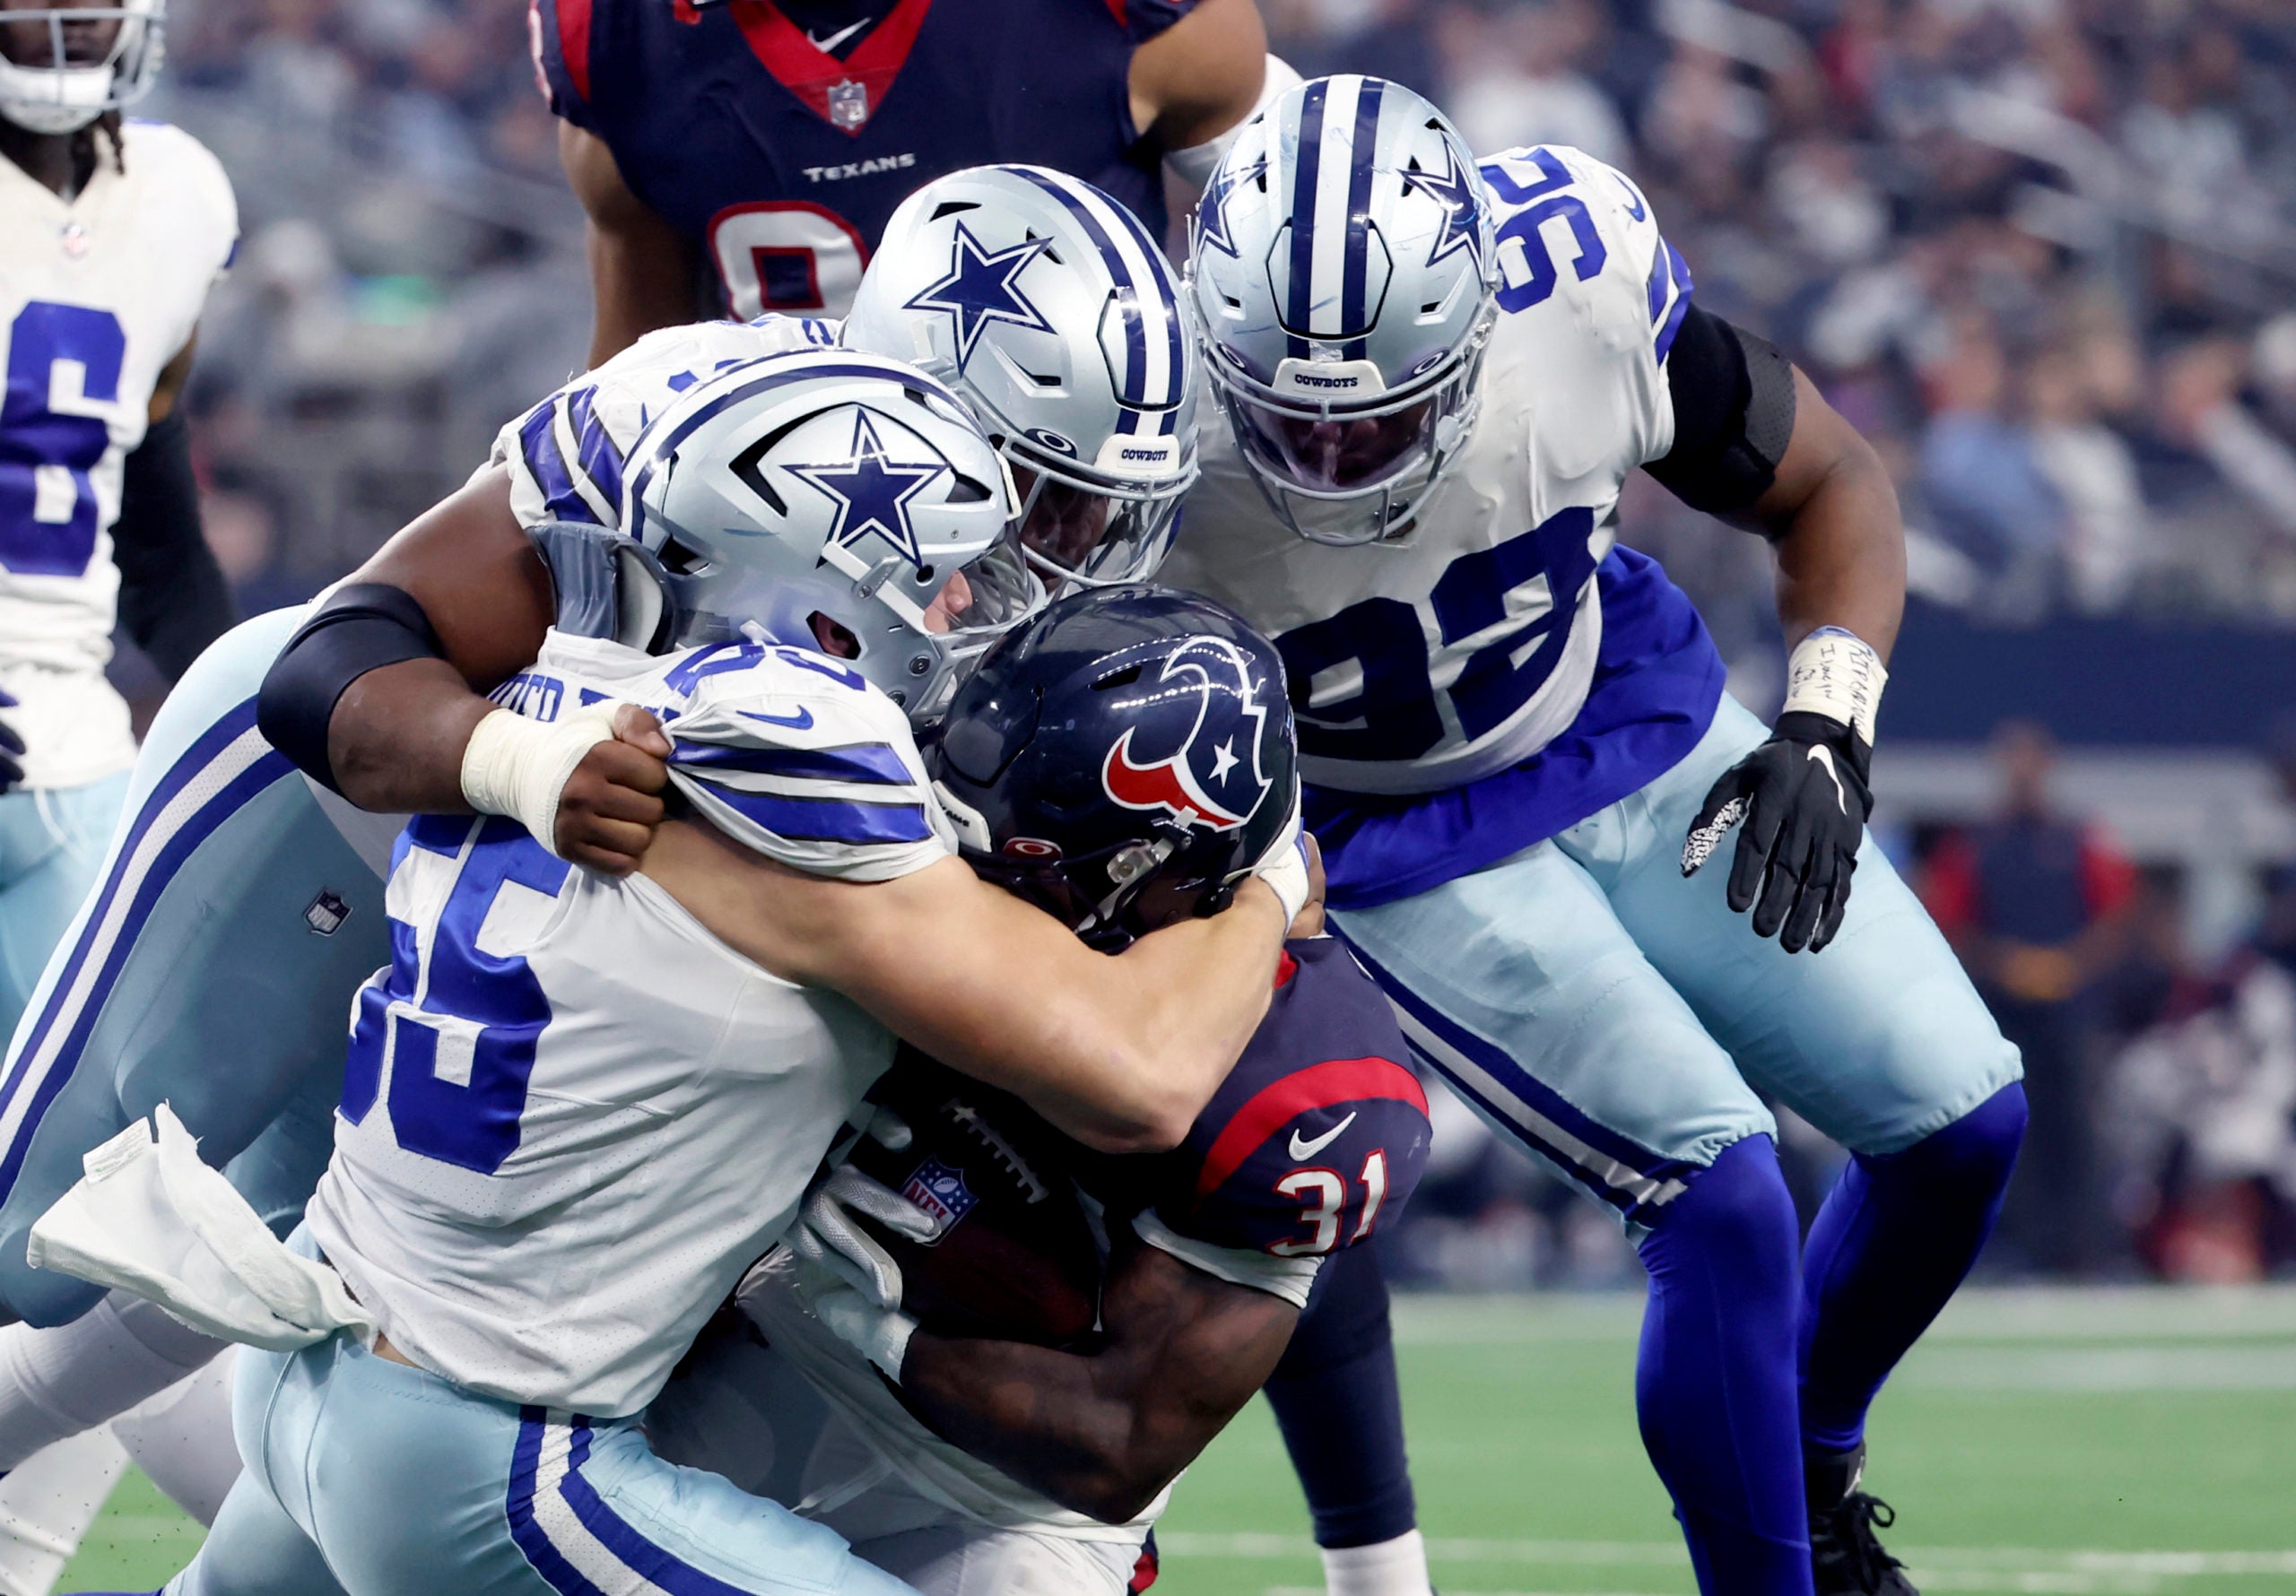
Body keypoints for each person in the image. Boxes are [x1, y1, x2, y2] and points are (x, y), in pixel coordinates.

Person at [0, 166, 1209, 1582]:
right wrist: (523, 762)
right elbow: (342, 658)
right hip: (344, 811)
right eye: (1048, 508)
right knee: (35, 1233)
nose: (1075, 563)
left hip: (577, 964)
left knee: (386, 1300)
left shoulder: (997, 627)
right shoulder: (693, 420)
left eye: (1110, 517)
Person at [1167, 76, 2031, 1596]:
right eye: (1291, 423)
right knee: (1723, 1192)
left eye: (1376, 421)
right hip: (1394, 834)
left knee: (1963, 1121)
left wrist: (1829, 721)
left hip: (1623, 711)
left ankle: (1813, 1481)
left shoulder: (1579, 284)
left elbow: (1827, 478)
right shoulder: (1150, 420)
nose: (1331, 467)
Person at [649, 585, 1433, 1596]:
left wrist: (841, 1312)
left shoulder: (1294, 1087)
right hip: (727, 1352)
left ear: (1151, 868)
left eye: (1019, 857)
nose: (966, 864)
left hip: (989, 1498)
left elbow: (1117, 1442)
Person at [526, 0, 1293, 361]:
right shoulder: (615, 38)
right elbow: (638, 376)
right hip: (786, 535)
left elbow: (1316, 237)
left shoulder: (1124, 19)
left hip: (1089, 502)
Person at [0, 0, 235, 1045]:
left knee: (124, 1146)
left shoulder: (177, 194)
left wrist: (237, 707)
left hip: (72, 746)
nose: (68, 16)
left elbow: (150, 513)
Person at [1920, 721, 2136, 1276]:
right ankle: (2016, 1249)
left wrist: (2068, 967)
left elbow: (2115, 917)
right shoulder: (1975, 845)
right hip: (2002, 1010)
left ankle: (2088, 1249)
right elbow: (1950, 923)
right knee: (2011, 1130)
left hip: (2072, 1008)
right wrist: (2009, 966)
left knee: (2081, 1130)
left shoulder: (2079, 839)